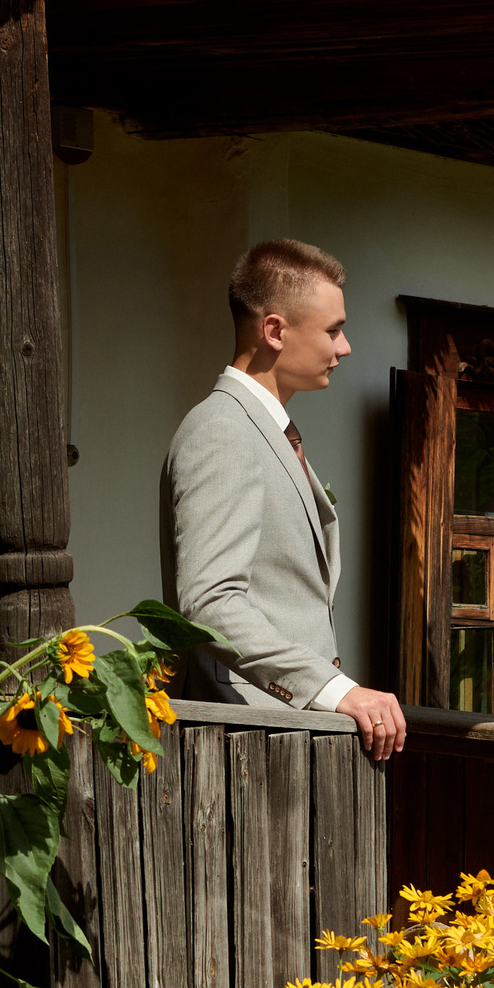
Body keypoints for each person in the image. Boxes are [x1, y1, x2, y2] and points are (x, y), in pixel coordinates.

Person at [163, 239, 405, 761]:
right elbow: (209, 603)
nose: (345, 348)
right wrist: (337, 690)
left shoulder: (266, 430)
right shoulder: (223, 431)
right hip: (239, 749)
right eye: (333, 330)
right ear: (274, 330)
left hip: (281, 745)